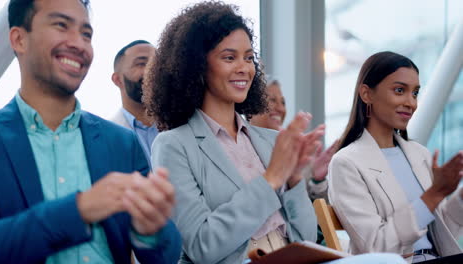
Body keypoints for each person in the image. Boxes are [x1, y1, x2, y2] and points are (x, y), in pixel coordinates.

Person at [144, 3, 407, 264]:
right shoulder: (173, 145)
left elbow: (305, 236)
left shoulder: (270, 141)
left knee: (388, 262)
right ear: (197, 66)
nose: (244, 68)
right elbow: (203, 246)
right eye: (229, 57)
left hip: (291, 260)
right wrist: (271, 179)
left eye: (248, 57)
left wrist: (293, 181)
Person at [0, 0, 181, 263]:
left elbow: (165, 255)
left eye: (86, 34)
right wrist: (78, 210)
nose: (79, 44)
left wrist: (150, 229)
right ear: (19, 39)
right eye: (61, 25)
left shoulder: (121, 143)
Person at [328, 51, 463, 263]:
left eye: (415, 93)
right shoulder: (346, 163)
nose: (411, 103)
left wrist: (459, 196)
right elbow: (375, 247)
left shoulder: (420, 154)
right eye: (399, 90)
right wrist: (434, 194)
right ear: (367, 94)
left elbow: (441, 236)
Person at [250, 77, 338, 200]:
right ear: (250, 108)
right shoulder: (241, 147)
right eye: (272, 100)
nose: (281, 109)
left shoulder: (297, 153)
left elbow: (317, 212)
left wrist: (317, 181)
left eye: (283, 103)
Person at [111, 40, 159, 168]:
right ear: (118, 80)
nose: (152, 70)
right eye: (142, 63)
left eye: (157, 63)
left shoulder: (183, 126)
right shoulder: (107, 137)